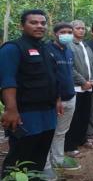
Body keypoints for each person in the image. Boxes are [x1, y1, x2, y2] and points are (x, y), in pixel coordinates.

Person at [0, 10, 62, 178]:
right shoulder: (12, 48)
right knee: (19, 159)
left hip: (48, 114)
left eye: (42, 23)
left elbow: (52, 78)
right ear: (22, 26)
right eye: (33, 23)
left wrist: (57, 99)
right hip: (26, 115)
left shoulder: (46, 49)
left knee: (38, 159)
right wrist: (11, 110)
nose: (39, 26)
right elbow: (7, 80)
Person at [43, 23, 81, 179]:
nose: (67, 34)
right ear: (55, 34)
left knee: (61, 132)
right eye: (63, 32)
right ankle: (45, 166)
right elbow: (49, 77)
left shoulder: (69, 51)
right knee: (47, 133)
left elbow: (69, 74)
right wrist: (56, 97)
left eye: (69, 32)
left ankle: (58, 159)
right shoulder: (47, 51)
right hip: (53, 100)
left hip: (70, 97)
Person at [65, 20, 93, 157]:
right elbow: (69, 68)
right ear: (72, 30)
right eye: (78, 28)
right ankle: (70, 146)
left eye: (83, 28)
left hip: (88, 87)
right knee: (74, 118)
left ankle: (81, 140)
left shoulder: (86, 45)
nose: (81, 30)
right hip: (76, 88)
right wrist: (83, 81)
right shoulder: (68, 45)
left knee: (85, 115)